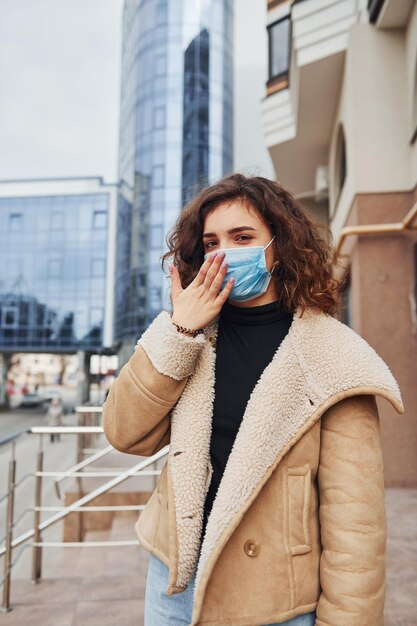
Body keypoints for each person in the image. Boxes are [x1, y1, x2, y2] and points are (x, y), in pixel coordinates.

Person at [102, 174, 404, 626]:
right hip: (174, 583)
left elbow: (355, 531)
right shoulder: (190, 335)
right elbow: (124, 433)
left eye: (242, 237)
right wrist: (179, 331)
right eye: (211, 242)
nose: (224, 252)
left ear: (278, 246)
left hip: (270, 599)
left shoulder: (334, 356)